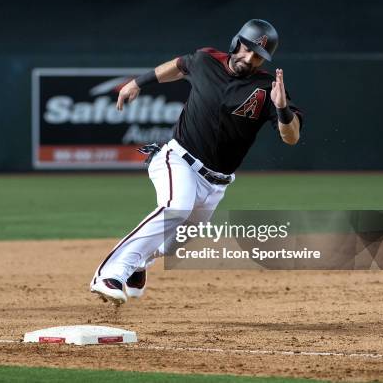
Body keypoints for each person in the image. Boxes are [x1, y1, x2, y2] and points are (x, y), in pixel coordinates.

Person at [90, 19, 303, 305]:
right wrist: (138, 83)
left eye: (258, 56)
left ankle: (138, 264)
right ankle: (110, 274)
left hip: (216, 184)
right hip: (178, 159)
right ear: (236, 42)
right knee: (176, 206)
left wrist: (281, 108)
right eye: (247, 48)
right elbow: (179, 65)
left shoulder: (267, 89)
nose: (249, 58)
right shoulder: (206, 60)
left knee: (172, 245)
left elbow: (291, 137)